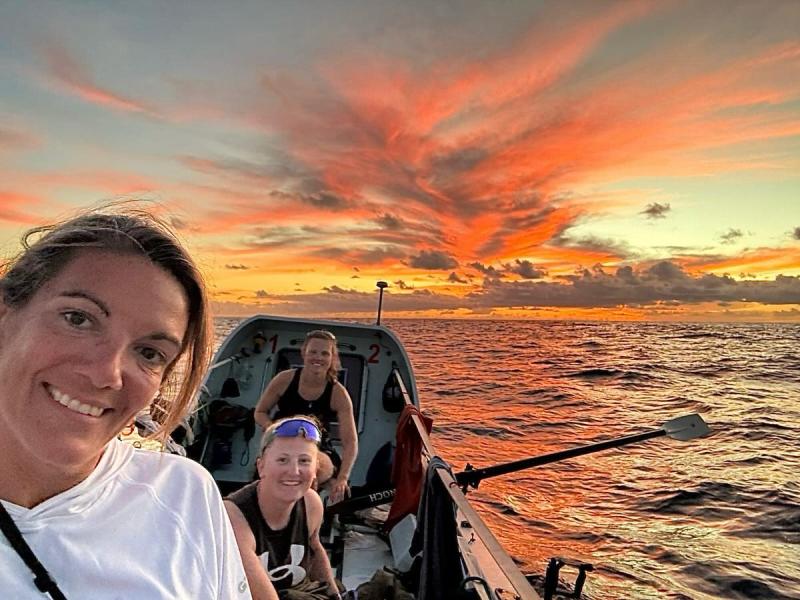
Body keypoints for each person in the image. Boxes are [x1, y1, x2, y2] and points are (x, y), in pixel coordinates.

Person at [0, 206, 251, 599]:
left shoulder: (184, 495)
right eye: (78, 319)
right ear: (4, 316)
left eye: (149, 353)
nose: (107, 374)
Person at [225, 417, 342, 600]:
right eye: (282, 460)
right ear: (261, 466)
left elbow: (315, 547)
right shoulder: (235, 516)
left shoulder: (311, 504)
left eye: (304, 461)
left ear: (315, 470)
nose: (294, 471)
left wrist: (335, 595)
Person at [254, 331, 357, 504]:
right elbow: (260, 412)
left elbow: (350, 442)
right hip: (281, 440)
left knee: (311, 468)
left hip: (319, 448)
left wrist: (343, 478)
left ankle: (307, 514)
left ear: (332, 357)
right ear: (304, 353)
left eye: (325, 353)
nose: (318, 357)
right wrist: (275, 430)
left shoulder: (338, 393)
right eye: (313, 352)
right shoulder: (284, 379)